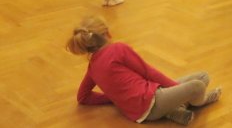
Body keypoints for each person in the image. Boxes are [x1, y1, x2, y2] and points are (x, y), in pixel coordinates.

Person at [66, 16, 221, 125]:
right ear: (107, 33)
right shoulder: (118, 49)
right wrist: (177, 89)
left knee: (202, 76)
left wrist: (114, 98)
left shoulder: (92, 67)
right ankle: (200, 102)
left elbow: (82, 97)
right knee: (198, 85)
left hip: (143, 108)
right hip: (153, 101)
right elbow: (149, 72)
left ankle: (174, 110)